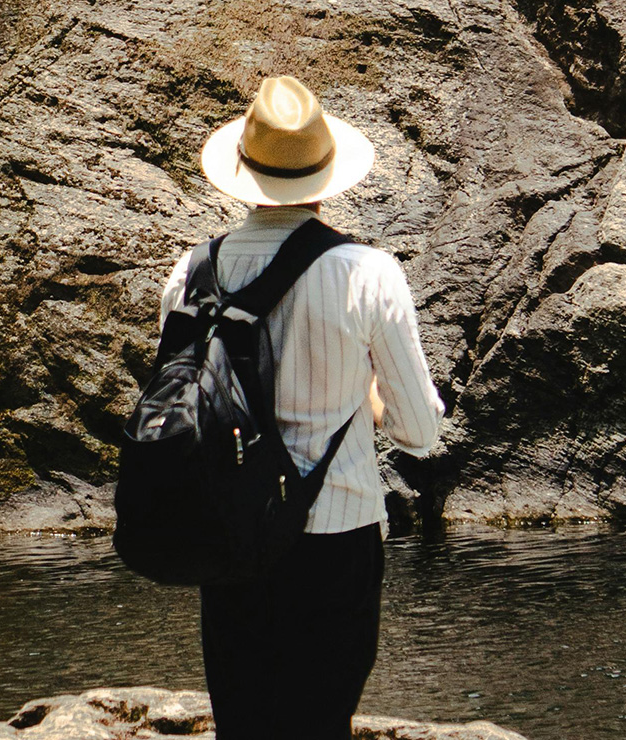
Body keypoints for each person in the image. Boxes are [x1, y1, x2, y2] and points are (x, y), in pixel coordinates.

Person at [157, 75, 444, 738]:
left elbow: (179, 407)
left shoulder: (194, 271)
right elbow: (421, 432)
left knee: (246, 725)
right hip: (337, 536)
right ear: (327, 175)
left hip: (231, 539)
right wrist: (369, 400)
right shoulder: (369, 273)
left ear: (243, 172)